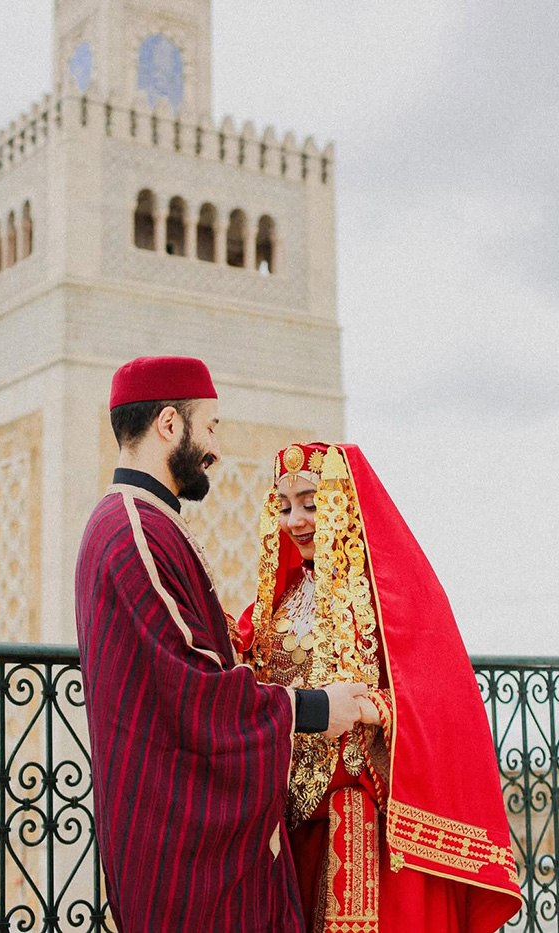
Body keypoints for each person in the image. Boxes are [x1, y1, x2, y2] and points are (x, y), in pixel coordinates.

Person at [75, 358, 369, 933]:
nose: (214, 448)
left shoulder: (136, 521)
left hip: (158, 825)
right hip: (177, 847)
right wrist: (317, 707)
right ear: (169, 424)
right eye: (209, 427)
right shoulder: (135, 531)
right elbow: (195, 692)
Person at [240, 442, 522, 933]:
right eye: (284, 507)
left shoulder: (390, 595)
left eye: (310, 503)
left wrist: (373, 708)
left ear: (343, 501)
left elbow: (443, 700)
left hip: (370, 840)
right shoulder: (280, 601)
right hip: (293, 832)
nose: (295, 521)